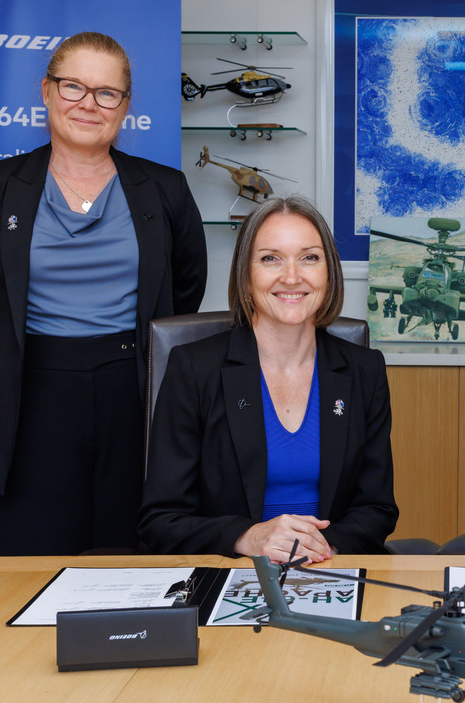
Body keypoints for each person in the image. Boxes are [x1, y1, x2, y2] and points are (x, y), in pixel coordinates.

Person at [0, 32, 207, 556]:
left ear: (125, 107)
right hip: (28, 396)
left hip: (135, 395)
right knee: (25, 570)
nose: (89, 104)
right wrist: (26, 352)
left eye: (107, 93)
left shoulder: (166, 189)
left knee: (133, 564)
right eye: (74, 87)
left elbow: (184, 290)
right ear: (46, 91)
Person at [139, 197, 398, 560]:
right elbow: (160, 519)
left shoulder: (363, 370)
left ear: (329, 273)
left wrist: (320, 547)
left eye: (309, 257)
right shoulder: (194, 369)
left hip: (331, 570)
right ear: (246, 276)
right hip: (228, 574)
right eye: (270, 258)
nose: (291, 276)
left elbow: (377, 509)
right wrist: (247, 537)